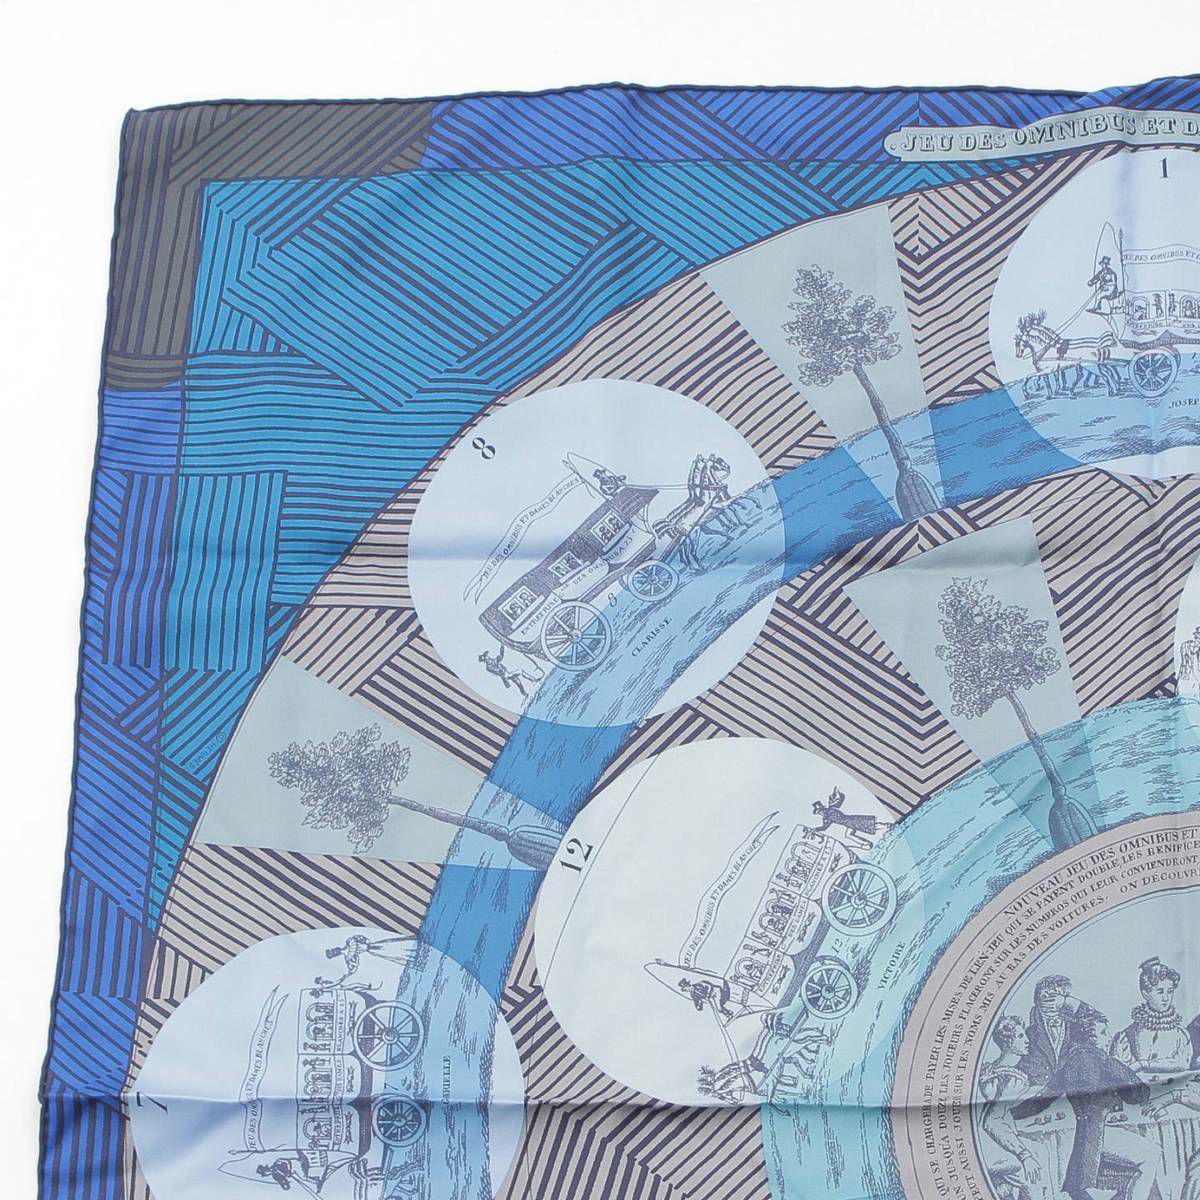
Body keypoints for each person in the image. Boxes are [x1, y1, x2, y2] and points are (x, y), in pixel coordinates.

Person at [1014, 1010, 1160, 1200]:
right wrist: (1120, 1063)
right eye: (1103, 1033)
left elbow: (1039, 1101)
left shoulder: (1068, 1065)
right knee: (1152, 1153)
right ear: (1090, 1038)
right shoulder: (1105, 1061)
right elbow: (1141, 1094)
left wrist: (1012, 1113)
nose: (1109, 1038)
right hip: (1099, 1137)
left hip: (1082, 1140)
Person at [978, 1016, 1041, 1200]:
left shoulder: (990, 1069)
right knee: (1039, 1165)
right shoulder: (1011, 1079)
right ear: (1007, 1042)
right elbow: (992, 1121)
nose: (1027, 1040)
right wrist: (1025, 1155)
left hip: (993, 1145)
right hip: (995, 1148)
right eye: (1020, 1036)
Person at [1111, 957, 1192, 1078]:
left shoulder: (1181, 1034)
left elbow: (1183, 1063)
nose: (1166, 998)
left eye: (1170, 991)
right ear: (1146, 994)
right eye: (1160, 992)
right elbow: (1119, 1070)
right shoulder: (1128, 1035)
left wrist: (1144, 1064)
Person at [1019, 974, 1104, 1086]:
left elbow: (1099, 1022)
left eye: (1056, 995)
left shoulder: (1079, 1029)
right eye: (1045, 996)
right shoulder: (1028, 1034)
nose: (1050, 1001)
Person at [811, 787, 890, 849]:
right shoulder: (827, 816)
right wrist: (815, 829)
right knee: (850, 834)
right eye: (818, 812)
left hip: (851, 821)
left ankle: (886, 826)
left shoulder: (830, 811)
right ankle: (866, 843)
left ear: (822, 809)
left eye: (819, 811)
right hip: (848, 823)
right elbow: (824, 827)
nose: (820, 813)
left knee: (869, 825)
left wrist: (838, 794)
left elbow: (840, 800)